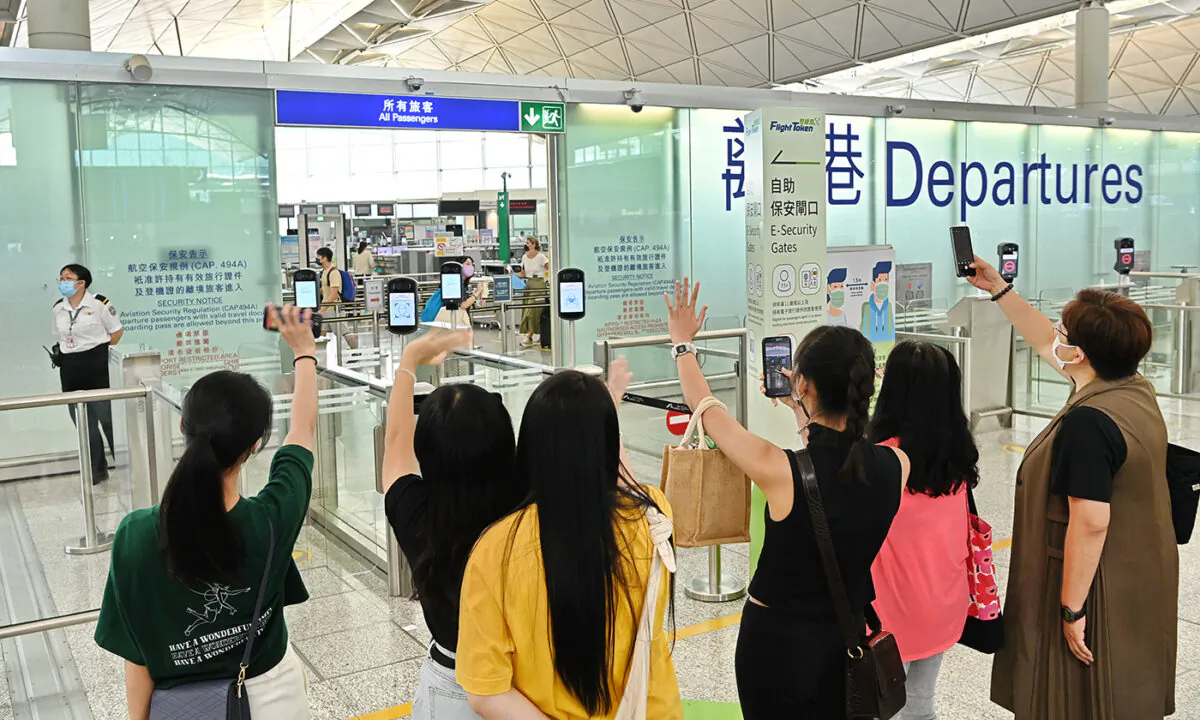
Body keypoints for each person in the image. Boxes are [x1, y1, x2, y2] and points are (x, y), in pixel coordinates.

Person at [663, 278, 909, 718]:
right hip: (846, 637)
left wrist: (682, 344)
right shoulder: (896, 465)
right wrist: (803, 405)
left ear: (806, 385)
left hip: (778, 647)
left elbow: (705, 406)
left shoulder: (781, 471)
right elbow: (846, 446)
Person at [968, 258, 1177, 720]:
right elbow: (1045, 338)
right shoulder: (1131, 386)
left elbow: (1091, 521)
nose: (1054, 337)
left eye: (1066, 333)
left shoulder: (1089, 423)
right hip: (1137, 569)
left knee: (1075, 694)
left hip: (1091, 582)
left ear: (1080, 354)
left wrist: (1070, 609)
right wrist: (1000, 291)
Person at [94, 305, 318, 719]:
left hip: (180, 706)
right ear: (255, 446)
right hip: (272, 698)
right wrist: (305, 353)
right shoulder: (272, 518)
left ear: (183, 428)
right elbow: (302, 431)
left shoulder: (135, 534)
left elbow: (137, 654)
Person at [456, 363, 682, 719]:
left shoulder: (495, 550)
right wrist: (607, 415)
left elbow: (486, 692)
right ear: (606, 444)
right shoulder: (654, 514)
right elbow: (625, 482)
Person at [382, 329, 527, 720]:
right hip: (528, 682)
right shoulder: (529, 510)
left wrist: (409, 360)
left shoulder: (417, 516)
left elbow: (395, 445)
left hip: (450, 682)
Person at [868, 340, 978, 720]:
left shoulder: (880, 457)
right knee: (920, 704)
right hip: (944, 604)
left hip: (888, 613)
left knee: (883, 708)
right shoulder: (959, 455)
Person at [53, 264, 123, 484]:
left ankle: (124, 466)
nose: (62, 282)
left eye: (68, 278)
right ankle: (97, 470)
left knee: (108, 420)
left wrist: (98, 355)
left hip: (97, 370)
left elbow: (116, 332)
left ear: (81, 283)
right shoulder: (58, 308)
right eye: (61, 278)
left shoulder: (100, 304)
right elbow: (62, 338)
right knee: (84, 424)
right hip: (70, 370)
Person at [515, 238, 548, 347]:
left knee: (533, 310)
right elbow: (524, 273)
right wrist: (513, 274)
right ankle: (536, 334)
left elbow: (550, 268)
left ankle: (529, 336)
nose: (526, 245)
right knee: (526, 309)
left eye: (528, 243)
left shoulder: (541, 257)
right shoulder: (524, 257)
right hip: (529, 283)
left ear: (534, 245)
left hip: (539, 283)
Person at [860, 261, 894, 342]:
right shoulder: (867, 308)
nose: (883, 283)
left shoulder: (888, 307)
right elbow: (863, 333)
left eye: (886, 280)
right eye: (880, 280)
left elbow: (891, 331)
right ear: (873, 284)